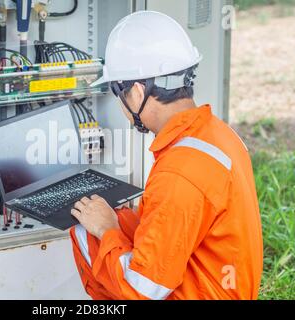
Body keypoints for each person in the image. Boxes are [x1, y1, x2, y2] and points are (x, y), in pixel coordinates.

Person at [69, 11, 263, 300]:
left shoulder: (179, 172)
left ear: (135, 92)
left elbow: (142, 289)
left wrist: (107, 229)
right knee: (116, 219)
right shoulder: (216, 133)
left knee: (86, 230)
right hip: (221, 284)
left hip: (199, 293)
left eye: (116, 92)